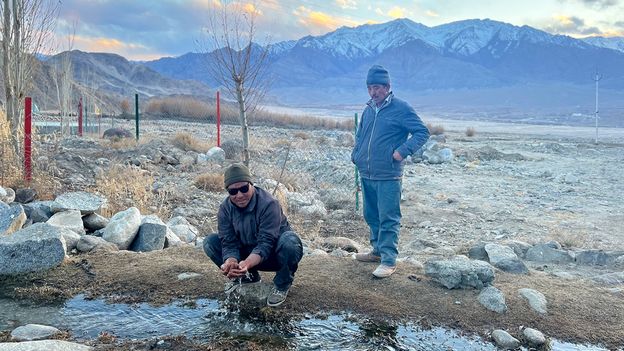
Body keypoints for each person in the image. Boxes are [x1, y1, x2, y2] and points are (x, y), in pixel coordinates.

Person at [351, 64, 430, 278]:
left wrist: (401, 152)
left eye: (376, 87)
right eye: (369, 87)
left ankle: (388, 260)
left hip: (388, 174)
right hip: (367, 172)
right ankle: (376, 251)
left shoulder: (401, 108)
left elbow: (422, 132)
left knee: (388, 217)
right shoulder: (368, 109)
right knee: (371, 215)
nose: (372, 92)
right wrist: (356, 154)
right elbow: (360, 136)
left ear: (387, 87)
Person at [203, 163, 303, 307]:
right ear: (227, 191)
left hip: (274, 256)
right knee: (210, 242)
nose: (239, 195)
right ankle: (247, 278)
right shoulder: (225, 209)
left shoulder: (269, 204)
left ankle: (282, 285)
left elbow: (265, 244)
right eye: (233, 191)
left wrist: (247, 263)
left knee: (290, 242)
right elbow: (228, 243)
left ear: (251, 185)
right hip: (247, 256)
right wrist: (231, 262)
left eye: (244, 189)